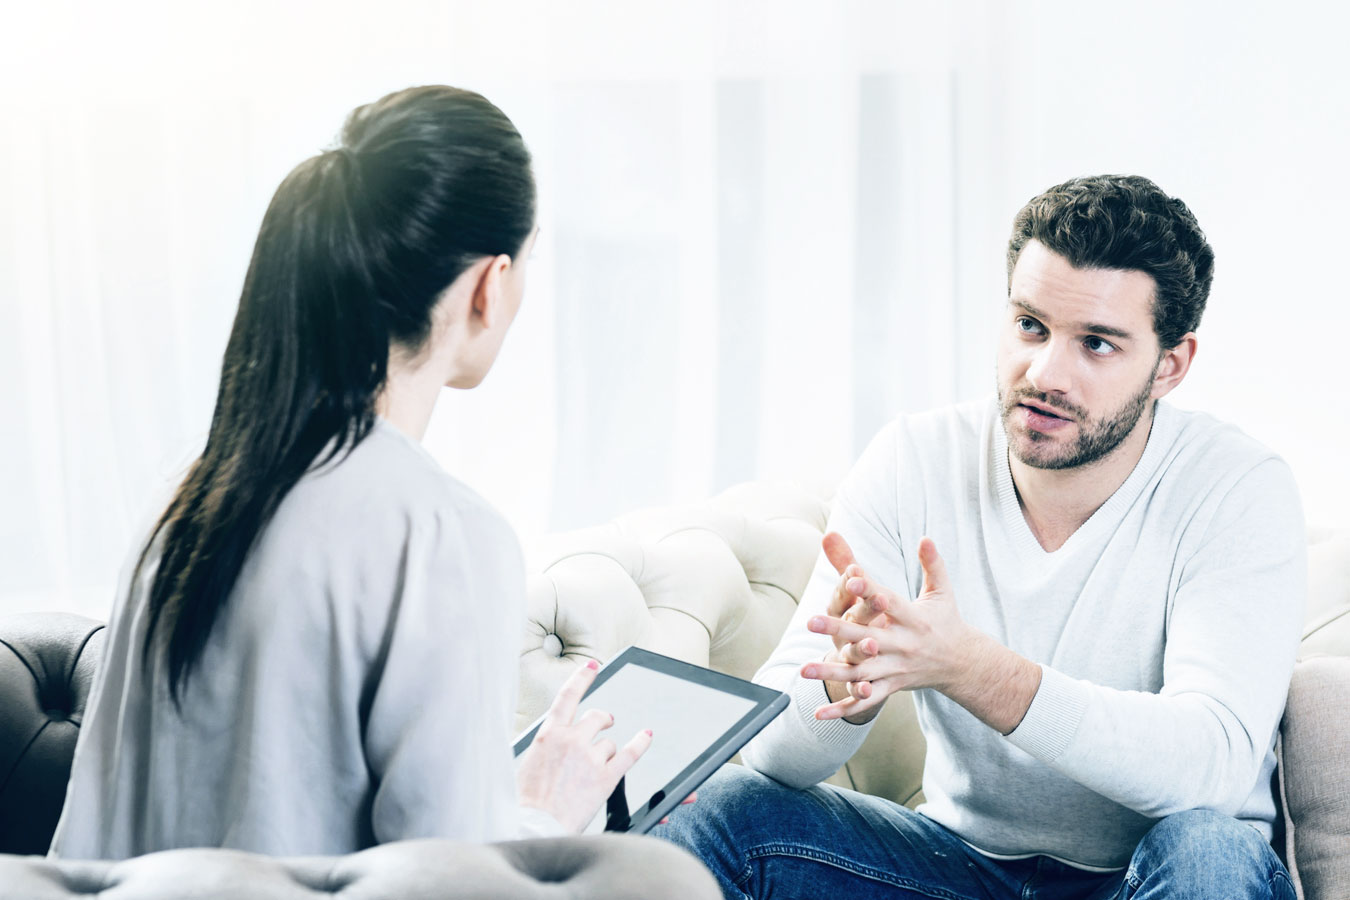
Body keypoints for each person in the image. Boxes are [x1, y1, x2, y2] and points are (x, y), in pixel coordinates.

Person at [656, 175, 1305, 899]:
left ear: (1171, 365)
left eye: (1096, 344)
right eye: (1031, 326)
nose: (1045, 372)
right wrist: (846, 681)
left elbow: (1210, 766)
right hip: (958, 868)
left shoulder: (1235, 488)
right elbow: (774, 755)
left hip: (1155, 875)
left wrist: (973, 669)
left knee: (1210, 851)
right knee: (716, 814)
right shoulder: (914, 460)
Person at [50, 85, 650, 859]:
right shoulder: (442, 533)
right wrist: (546, 810)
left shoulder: (186, 495)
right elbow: (450, 881)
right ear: (489, 286)